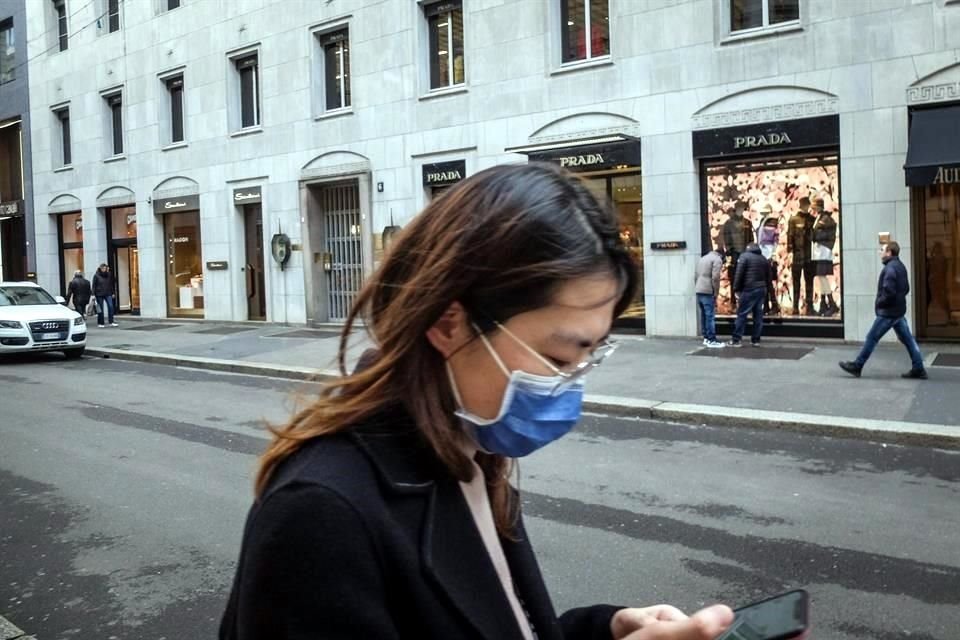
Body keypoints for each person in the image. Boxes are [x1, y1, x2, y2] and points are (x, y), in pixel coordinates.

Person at [219, 164, 734, 640]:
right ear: (449, 324)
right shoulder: (320, 515)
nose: (571, 385)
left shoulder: (468, 447)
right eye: (558, 358)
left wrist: (606, 632)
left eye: (589, 358)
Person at [840, 241, 927, 379]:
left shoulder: (890, 269)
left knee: (871, 337)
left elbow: (889, 292)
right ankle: (919, 368)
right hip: (898, 311)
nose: (880, 252)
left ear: (889, 253)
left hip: (889, 313)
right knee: (908, 339)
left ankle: (858, 365)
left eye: (882, 250)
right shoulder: (900, 266)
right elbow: (906, 289)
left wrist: (880, 302)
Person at [728, 242, 770, 347]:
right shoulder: (763, 259)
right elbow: (769, 276)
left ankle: (736, 339)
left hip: (749, 289)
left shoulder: (744, 257)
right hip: (761, 289)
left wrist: (736, 289)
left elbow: (739, 274)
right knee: (758, 315)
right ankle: (756, 340)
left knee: (742, 314)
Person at [787, 197, 815, 316]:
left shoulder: (812, 219)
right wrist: (789, 253)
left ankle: (809, 306)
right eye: (805, 205)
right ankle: (795, 307)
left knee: (809, 282)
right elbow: (790, 237)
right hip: (797, 256)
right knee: (796, 282)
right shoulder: (793, 219)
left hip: (809, 256)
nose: (806, 207)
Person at [810, 199, 838, 317]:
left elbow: (825, 234)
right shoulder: (820, 218)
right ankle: (824, 303)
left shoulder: (826, 220)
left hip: (823, 252)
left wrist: (815, 236)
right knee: (820, 277)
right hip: (819, 252)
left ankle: (831, 302)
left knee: (822, 277)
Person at [694, 245, 725, 348]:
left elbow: (696, 275)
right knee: (710, 316)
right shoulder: (717, 259)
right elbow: (715, 277)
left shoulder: (703, 258)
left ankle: (706, 337)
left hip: (699, 289)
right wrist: (716, 292)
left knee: (704, 315)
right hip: (708, 290)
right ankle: (712, 339)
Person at [756, 205, 781, 315]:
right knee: (764, 282)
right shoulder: (763, 221)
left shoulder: (772, 222)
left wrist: (773, 254)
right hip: (763, 254)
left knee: (768, 282)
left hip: (768, 255)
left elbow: (775, 240)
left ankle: (774, 305)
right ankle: (766, 305)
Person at [92, 263, 118, 328]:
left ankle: (111, 322)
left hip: (108, 293)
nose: (104, 269)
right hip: (99, 294)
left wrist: (113, 293)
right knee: (100, 309)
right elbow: (94, 285)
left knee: (111, 306)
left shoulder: (109, 274)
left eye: (105, 268)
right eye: (103, 268)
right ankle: (101, 323)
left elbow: (111, 284)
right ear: (100, 268)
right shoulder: (96, 275)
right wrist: (93, 294)